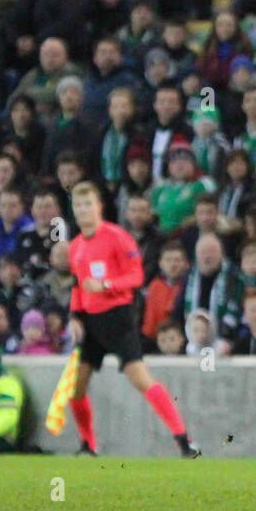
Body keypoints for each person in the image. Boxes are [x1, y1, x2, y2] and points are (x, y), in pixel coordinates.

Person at [65, 180, 198, 458]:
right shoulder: (75, 245)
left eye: (87, 204)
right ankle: (88, 445)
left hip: (117, 318)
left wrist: (105, 286)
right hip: (90, 323)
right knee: (76, 388)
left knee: (140, 379)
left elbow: (135, 277)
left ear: (99, 207)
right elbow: (78, 286)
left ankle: (184, 441)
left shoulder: (117, 236)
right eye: (78, 205)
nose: (83, 210)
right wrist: (75, 317)